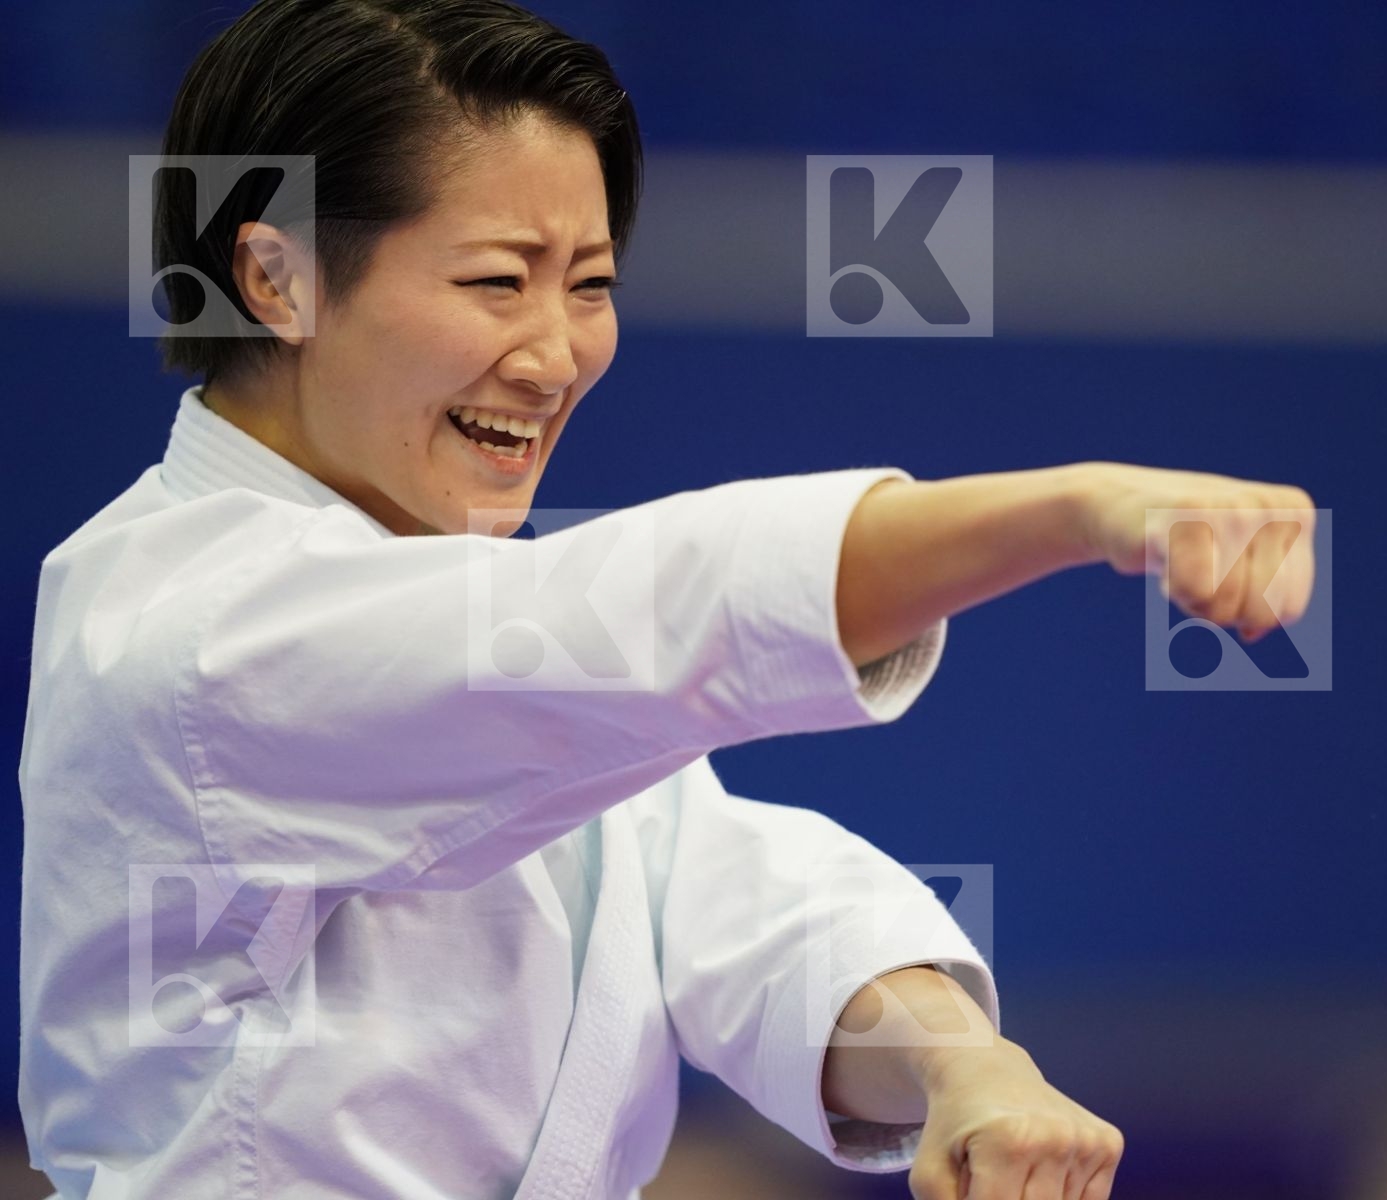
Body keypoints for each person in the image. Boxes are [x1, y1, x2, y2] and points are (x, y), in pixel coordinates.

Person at [16, 2, 1315, 1198]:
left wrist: (960, 1063)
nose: (553, 353)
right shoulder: (184, 626)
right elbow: (637, 621)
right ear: (275, 278)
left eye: (589, 284)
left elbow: (731, 905)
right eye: (496, 280)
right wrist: (1069, 510)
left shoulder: (448, 605)